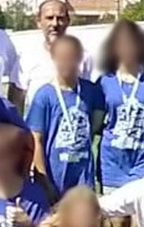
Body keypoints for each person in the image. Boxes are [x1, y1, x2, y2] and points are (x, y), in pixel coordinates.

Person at [26, 35, 106, 197]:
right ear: (53, 58)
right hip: (54, 178)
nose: (67, 63)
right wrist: (44, 182)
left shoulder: (91, 91)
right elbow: (36, 140)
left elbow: (96, 123)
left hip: (83, 179)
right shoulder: (45, 95)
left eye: (72, 57)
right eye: (62, 57)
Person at [97, 19, 144, 194]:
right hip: (111, 163)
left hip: (142, 162)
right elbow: (95, 123)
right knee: (114, 220)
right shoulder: (104, 81)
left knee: (140, 219)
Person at [20, 0, 94, 111]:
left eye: (60, 18)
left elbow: (90, 95)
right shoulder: (26, 58)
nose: (55, 24)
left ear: (68, 21)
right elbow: (17, 98)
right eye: (49, 18)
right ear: (38, 22)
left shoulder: (83, 57)